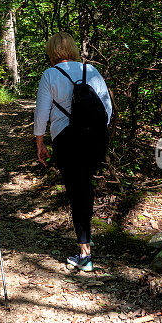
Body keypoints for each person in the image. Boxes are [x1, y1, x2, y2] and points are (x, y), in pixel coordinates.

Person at [34, 32, 113, 272]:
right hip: (95, 138)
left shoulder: (50, 74)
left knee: (76, 191)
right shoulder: (91, 71)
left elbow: (42, 113)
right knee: (85, 187)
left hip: (66, 139)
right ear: (73, 48)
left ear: (52, 51)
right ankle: (85, 244)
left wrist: (40, 142)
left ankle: (85, 252)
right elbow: (107, 108)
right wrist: (97, 131)